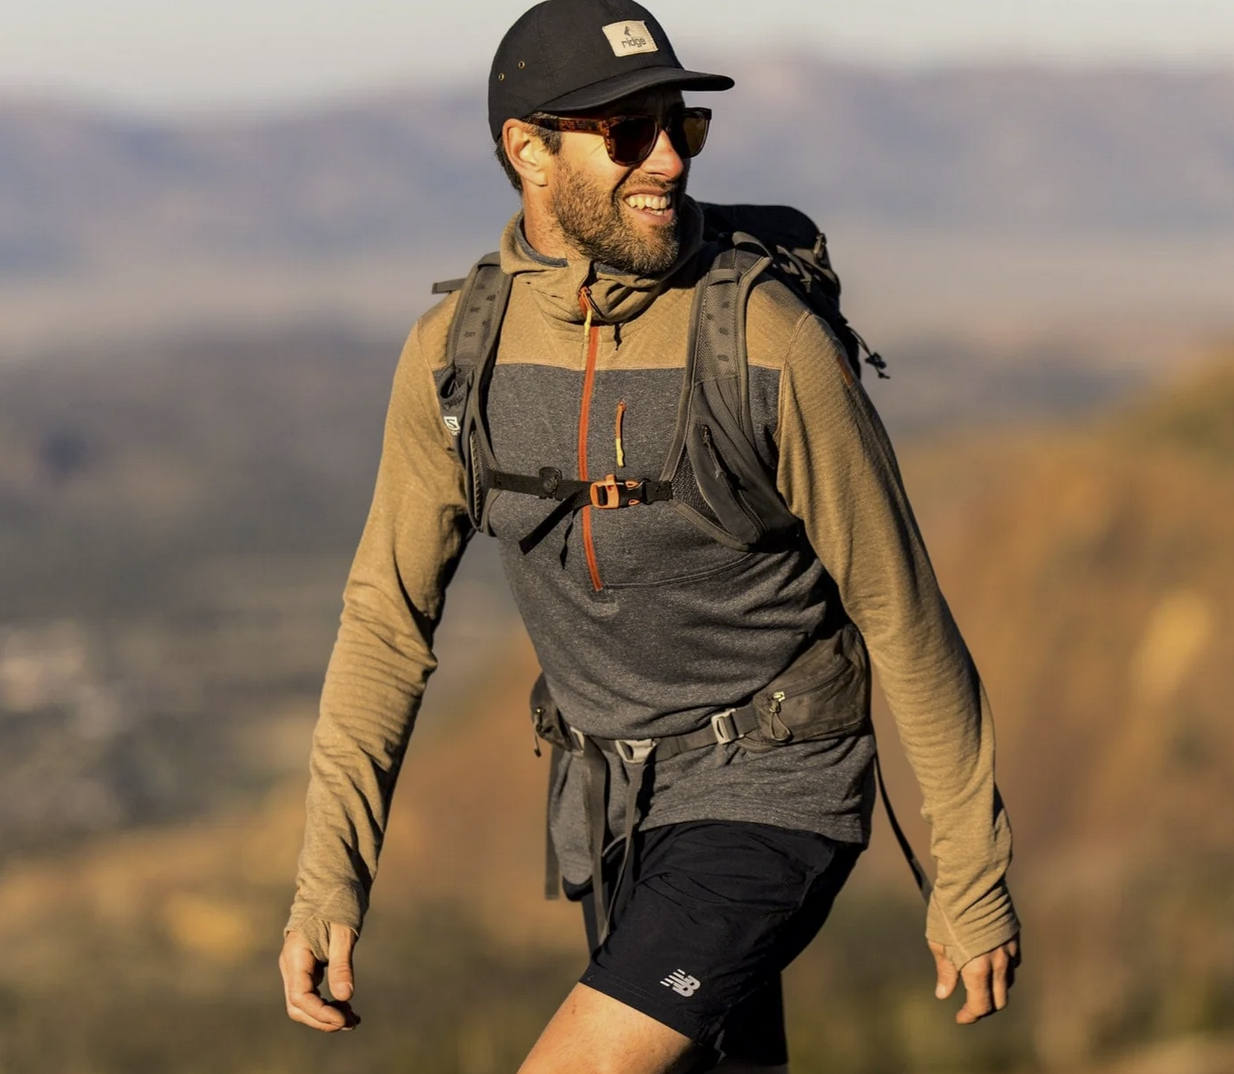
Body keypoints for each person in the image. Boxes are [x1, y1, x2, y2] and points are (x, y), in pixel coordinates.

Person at [278, 1, 1021, 1070]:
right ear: (527, 150)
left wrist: (970, 872)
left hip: (776, 786)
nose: (669, 158)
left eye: (682, 125)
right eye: (628, 132)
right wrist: (328, 882)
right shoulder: (454, 358)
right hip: (614, 812)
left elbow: (898, 610)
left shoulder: (768, 343)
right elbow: (384, 626)